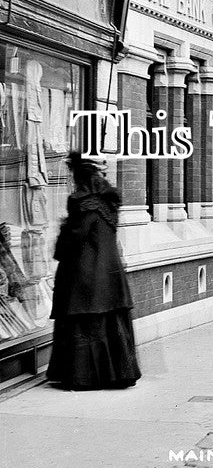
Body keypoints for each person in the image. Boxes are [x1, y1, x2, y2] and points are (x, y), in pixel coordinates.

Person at [47, 152, 140, 390]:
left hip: (83, 276)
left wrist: (62, 230)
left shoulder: (80, 202)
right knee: (110, 323)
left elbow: (73, 240)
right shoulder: (109, 201)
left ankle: (83, 377)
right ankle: (116, 375)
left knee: (83, 324)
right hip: (110, 275)